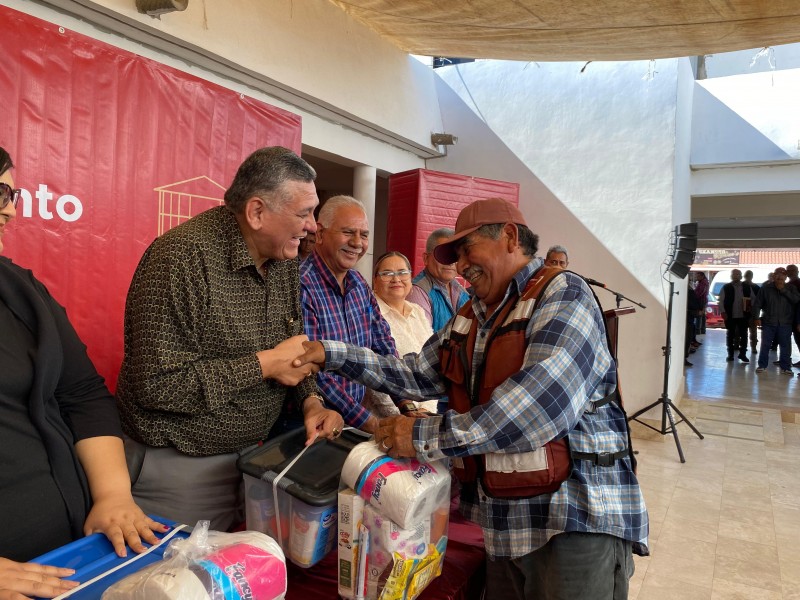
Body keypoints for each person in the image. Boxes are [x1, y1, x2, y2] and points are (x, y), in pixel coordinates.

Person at [296, 197, 648, 600]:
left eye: (468, 250)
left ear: (511, 237)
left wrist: (421, 435)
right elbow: (415, 372)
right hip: (505, 527)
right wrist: (332, 354)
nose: (461, 266)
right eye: (456, 256)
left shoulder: (563, 296)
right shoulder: (474, 312)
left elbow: (533, 412)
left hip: (571, 521)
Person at [116, 147, 344, 531]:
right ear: (256, 212)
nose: (312, 227)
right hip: (180, 468)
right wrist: (265, 365)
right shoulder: (180, 258)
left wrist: (310, 401)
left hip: (256, 462)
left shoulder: (283, 260)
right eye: (304, 213)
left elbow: (292, 349)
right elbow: (155, 386)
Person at [0, 147, 166, 598]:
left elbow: (83, 394)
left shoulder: (23, 291)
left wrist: (113, 495)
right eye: (0, 192)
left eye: (13, 195)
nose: (10, 211)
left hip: (73, 553)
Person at [301, 195, 410, 434]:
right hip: (314, 426)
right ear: (319, 233)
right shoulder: (301, 285)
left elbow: (384, 346)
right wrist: (373, 424)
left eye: (364, 235)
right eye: (348, 232)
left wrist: (407, 405)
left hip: (357, 421)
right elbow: (311, 369)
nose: (357, 243)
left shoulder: (359, 284)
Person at [370, 251, 437, 414]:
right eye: (387, 273)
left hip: (425, 415)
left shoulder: (418, 312)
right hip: (386, 418)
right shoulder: (369, 314)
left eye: (402, 272)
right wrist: (407, 414)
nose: (396, 279)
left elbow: (433, 364)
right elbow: (373, 374)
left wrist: (426, 410)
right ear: (375, 281)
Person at [407, 228, 470, 331]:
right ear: (426, 259)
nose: (450, 262)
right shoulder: (417, 292)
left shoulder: (461, 291)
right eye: (443, 255)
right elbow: (423, 341)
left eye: (455, 256)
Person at [753, 267, 800, 375]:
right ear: (774, 276)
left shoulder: (791, 288)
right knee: (765, 345)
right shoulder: (766, 288)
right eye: (777, 275)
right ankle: (762, 365)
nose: (780, 277)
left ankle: (786, 367)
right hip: (769, 321)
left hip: (785, 322)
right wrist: (756, 317)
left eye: (782, 275)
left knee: (785, 346)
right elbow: (757, 304)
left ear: (786, 277)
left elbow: (796, 299)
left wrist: (783, 289)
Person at [718, 269, 755, 363]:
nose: (736, 276)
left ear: (741, 276)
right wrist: (723, 312)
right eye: (734, 274)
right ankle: (730, 354)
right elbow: (721, 301)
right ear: (731, 276)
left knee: (744, 335)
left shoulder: (747, 287)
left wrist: (750, 309)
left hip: (743, 316)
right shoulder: (726, 287)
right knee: (730, 335)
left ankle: (743, 354)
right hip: (730, 315)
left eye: (738, 274)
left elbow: (753, 299)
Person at [742, 270, 761, 354]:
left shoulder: (756, 287)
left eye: (750, 275)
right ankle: (741, 347)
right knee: (741, 331)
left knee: (753, 332)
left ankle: (753, 347)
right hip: (742, 312)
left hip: (753, 313)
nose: (748, 277)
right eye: (747, 275)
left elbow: (760, 300)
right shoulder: (740, 286)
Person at [787, 264, 800, 366]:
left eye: (793, 270)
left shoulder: (798, 283)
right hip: (788, 317)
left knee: (799, 339)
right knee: (787, 338)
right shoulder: (787, 284)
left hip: (797, 317)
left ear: (797, 271)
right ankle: (786, 358)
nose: (790, 272)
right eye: (789, 271)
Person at [692, 271, 709, 338]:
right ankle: (702, 330)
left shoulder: (703, 283)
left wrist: (695, 296)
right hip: (702, 300)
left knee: (700, 314)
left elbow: (701, 292)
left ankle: (698, 330)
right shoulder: (702, 282)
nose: (697, 277)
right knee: (702, 315)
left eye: (698, 276)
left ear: (702, 276)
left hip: (701, 300)